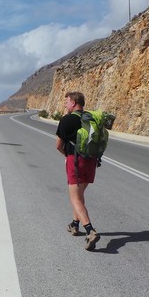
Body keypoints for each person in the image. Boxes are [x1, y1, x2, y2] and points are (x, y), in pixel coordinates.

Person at [55, 91, 101, 251]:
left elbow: (58, 146)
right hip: (92, 160)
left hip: (75, 161)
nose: (65, 104)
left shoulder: (67, 120)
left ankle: (90, 231)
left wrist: (66, 156)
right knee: (80, 195)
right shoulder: (92, 118)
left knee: (75, 199)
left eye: (66, 101)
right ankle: (75, 225)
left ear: (74, 103)